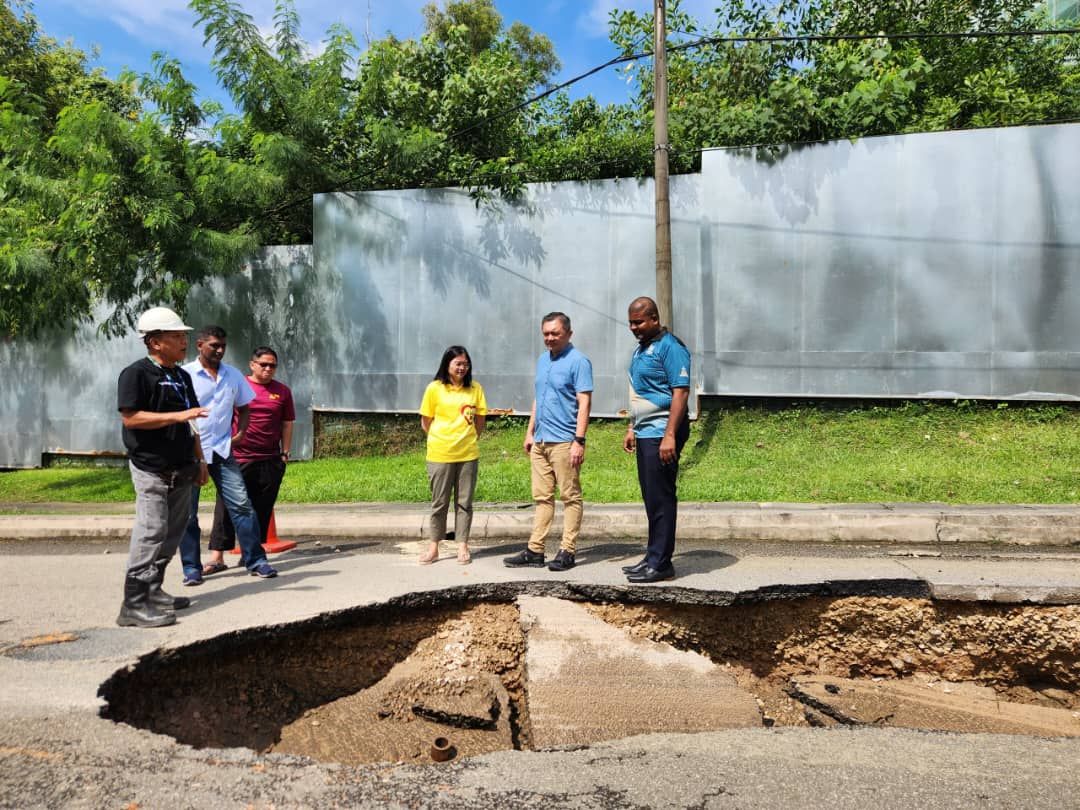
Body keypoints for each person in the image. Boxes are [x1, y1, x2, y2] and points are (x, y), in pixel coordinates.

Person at [116, 307, 209, 628]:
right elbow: (131, 417)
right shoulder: (136, 374)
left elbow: (192, 420)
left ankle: (154, 590)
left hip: (182, 467)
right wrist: (177, 417)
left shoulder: (181, 376)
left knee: (173, 531)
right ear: (155, 342)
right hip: (151, 467)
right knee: (151, 530)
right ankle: (133, 603)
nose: (185, 341)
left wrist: (200, 460)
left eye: (184, 335)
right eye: (177, 336)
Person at [178, 326, 277, 585]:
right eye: (214, 345)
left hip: (222, 451)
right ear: (199, 345)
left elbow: (244, 407)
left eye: (223, 346)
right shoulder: (185, 375)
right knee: (187, 513)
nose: (220, 350)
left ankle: (256, 560)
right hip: (190, 454)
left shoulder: (232, 375)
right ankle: (191, 568)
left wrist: (241, 433)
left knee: (242, 505)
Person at [504, 312, 593, 572]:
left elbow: (584, 402)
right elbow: (538, 398)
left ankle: (567, 550)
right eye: (546, 333)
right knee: (542, 498)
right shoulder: (543, 360)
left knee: (570, 497)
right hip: (541, 440)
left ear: (568, 334)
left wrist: (579, 440)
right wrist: (529, 431)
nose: (549, 338)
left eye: (555, 333)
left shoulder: (579, 361)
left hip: (565, 441)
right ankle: (535, 550)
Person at [205, 346, 296, 570]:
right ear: (252, 364)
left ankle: (251, 554)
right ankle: (218, 557)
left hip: (270, 458)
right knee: (226, 507)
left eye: (272, 365)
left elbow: (287, 423)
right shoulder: (238, 386)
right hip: (237, 457)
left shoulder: (282, 391)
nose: (267, 369)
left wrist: (285, 452)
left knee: (262, 507)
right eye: (263, 364)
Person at [622, 296, 692, 583]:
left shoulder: (671, 348)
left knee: (661, 498)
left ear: (654, 318)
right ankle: (653, 555)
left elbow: (681, 393)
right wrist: (631, 426)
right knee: (651, 498)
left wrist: (670, 435)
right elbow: (639, 390)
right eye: (631, 322)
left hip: (663, 432)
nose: (633, 327)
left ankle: (662, 564)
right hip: (645, 431)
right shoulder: (643, 349)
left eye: (638, 322)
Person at [418, 346, 488, 565]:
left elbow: (480, 420)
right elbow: (426, 421)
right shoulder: (434, 388)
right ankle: (434, 547)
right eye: (457, 363)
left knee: (464, 502)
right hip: (440, 453)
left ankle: (462, 545)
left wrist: (468, 438)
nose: (462, 368)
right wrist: (442, 439)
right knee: (439, 503)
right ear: (447, 364)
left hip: (467, 454)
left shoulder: (475, 388)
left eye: (465, 364)